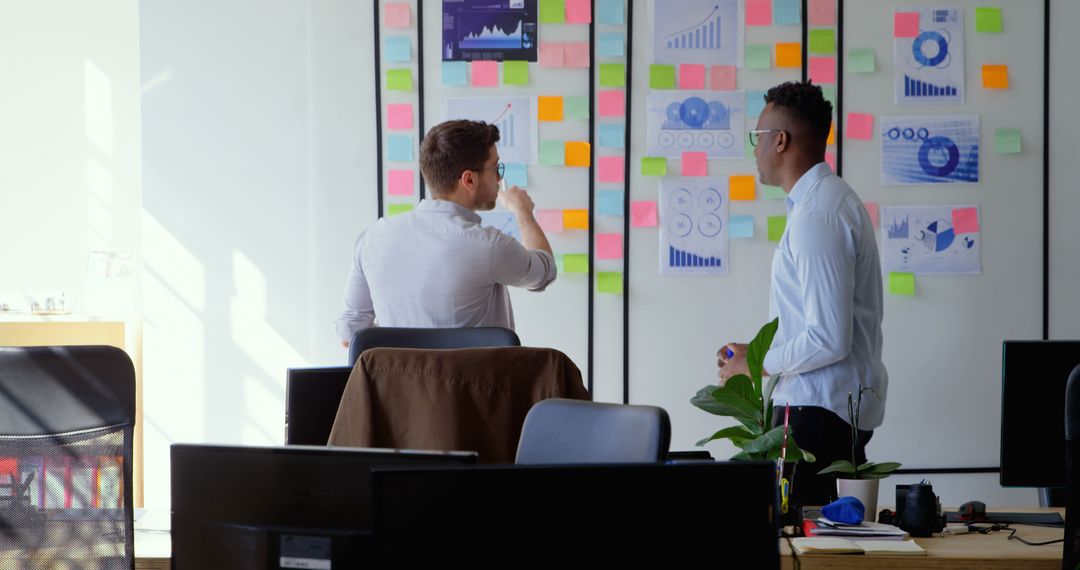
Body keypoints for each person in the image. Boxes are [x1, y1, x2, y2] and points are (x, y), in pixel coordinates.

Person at [716, 81, 888, 507]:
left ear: (780, 141)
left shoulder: (819, 216)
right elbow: (812, 322)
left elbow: (829, 337)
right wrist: (751, 352)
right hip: (823, 410)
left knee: (801, 548)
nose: (753, 150)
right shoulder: (824, 204)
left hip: (817, 416)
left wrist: (753, 366)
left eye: (757, 138)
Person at [335, 120, 556, 347]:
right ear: (469, 179)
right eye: (496, 168)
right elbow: (544, 272)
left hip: (399, 383)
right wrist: (523, 212)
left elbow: (349, 335)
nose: (499, 178)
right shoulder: (488, 245)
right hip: (476, 382)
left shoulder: (372, 238)